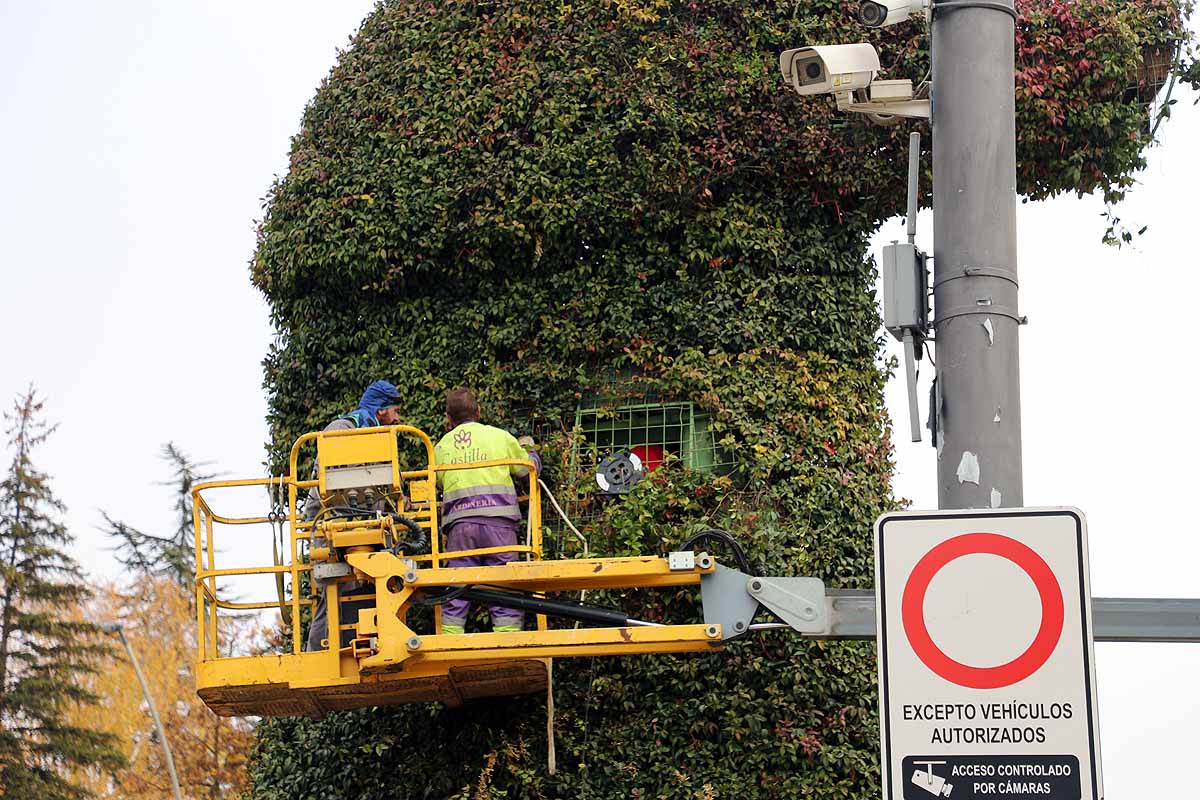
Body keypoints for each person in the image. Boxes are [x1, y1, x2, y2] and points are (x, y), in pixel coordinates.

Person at [305, 380, 403, 652]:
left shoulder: (374, 434)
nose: (396, 418)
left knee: (367, 594)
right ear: (382, 409)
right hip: (331, 526)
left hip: (360, 526)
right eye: (395, 410)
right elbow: (332, 484)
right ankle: (318, 656)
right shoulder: (341, 429)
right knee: (333, 594)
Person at [434, 387, 541, 634]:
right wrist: (531, 451)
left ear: (448, 419)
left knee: (457, 588)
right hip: (499, 526)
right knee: (504, 587)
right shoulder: (501, 437)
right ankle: (508, 645)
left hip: (460, 528)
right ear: (479, 412)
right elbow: (527, 472)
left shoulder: (441, 447)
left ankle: (450, 646)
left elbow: (438, 482)